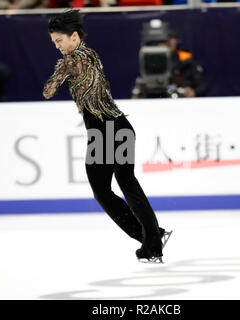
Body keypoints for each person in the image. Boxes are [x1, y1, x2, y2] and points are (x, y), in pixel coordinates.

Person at [42, 10, 171, 263]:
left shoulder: (70, 61)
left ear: (74, 36)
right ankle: (153, 240)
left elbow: (48, 91)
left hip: (104, 131)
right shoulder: (92, 54)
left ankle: (151, 239)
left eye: (59, 40)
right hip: (118, 127)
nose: (57, 46)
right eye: (54, 42)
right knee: (122, 184)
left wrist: (60, 71)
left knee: (108, 189)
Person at [132, 30, 208, 99]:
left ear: (176, 41)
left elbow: (203, 86)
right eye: (164, 40)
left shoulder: (185, 60)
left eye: (171, 38)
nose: (168, 42)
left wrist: (193, 92)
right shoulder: (149, 61)